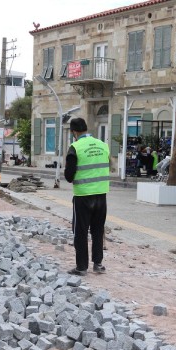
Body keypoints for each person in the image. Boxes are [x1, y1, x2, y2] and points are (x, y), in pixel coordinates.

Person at [64, 117, 110, 276]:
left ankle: (81, 267)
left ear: (74, 132)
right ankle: (98, 264)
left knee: (80, 232)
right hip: (101, 195)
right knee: (98, 230)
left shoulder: (75, 148)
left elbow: (69, 176)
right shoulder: (103, 145)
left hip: (83, 196)